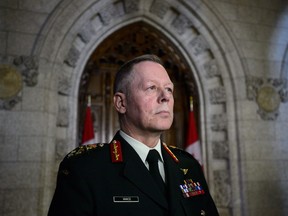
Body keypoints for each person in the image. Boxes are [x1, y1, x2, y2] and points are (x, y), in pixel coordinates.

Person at [48, 54, 219, 216]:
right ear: (121, 103)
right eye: (152, 88)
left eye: (169, 89)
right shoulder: (85, 169)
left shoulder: (189, 166)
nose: (165, 97)